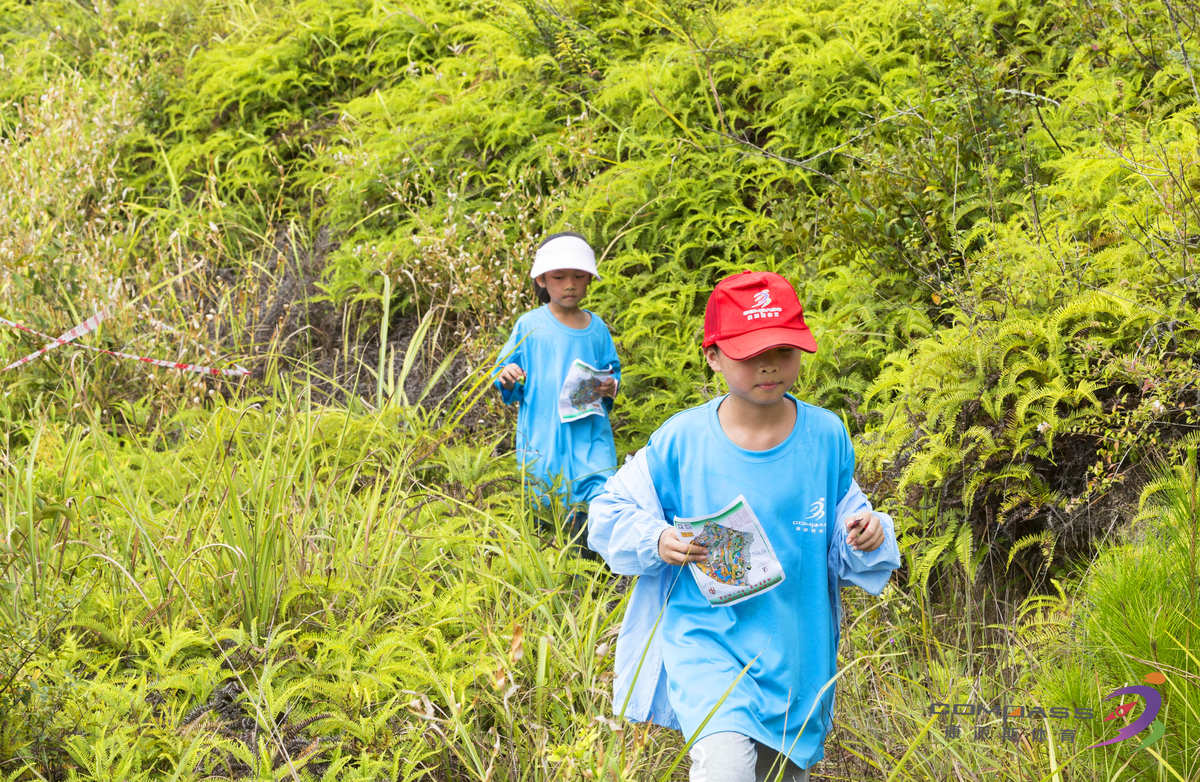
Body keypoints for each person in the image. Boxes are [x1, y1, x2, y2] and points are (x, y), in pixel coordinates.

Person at [588, 270, 900, 782]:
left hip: (796, 653)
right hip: (707, 644)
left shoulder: (825, 436)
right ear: (713, 356)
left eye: (783, 350)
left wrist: (868, 532)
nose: (769, 365)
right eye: (750, 353)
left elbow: (849, 524)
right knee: (726, 768)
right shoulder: (681, 442)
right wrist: (657, 538)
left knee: (781, 773)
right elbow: (609, 511)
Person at [493, 232, 620, 543]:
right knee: (546, 497)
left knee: (598, 493)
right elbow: (506, 373)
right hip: (544, 433)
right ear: (541, 280)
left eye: (578, 276)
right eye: (559, 277)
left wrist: (609, 385)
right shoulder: (529, 325)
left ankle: (594, 566)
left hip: (589, 433)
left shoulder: (597, 328)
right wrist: (508, 375)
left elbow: (613, 370)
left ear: (589, 279)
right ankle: (556, 569)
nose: (569, 284)